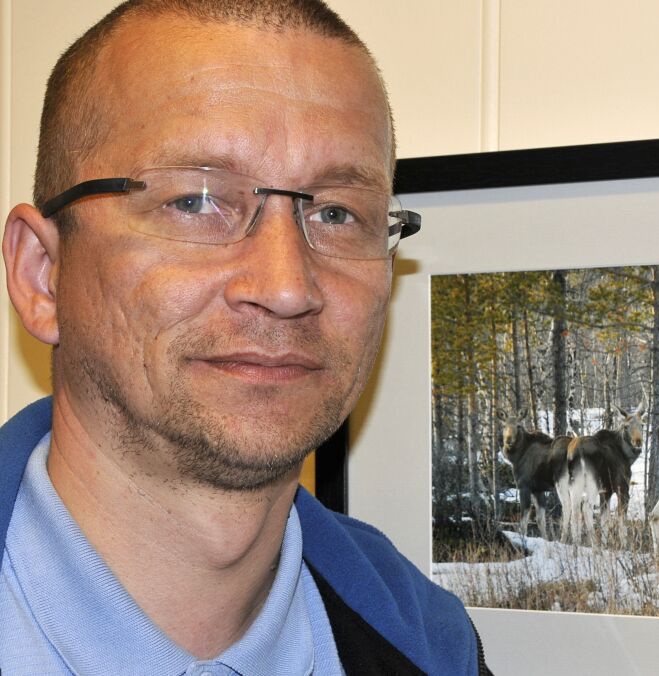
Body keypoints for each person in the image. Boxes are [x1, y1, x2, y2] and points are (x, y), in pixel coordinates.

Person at [0, 1, 490, 673]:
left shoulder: (430, 645)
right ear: (43, 275)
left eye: (339, 213)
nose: (288, 287)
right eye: (196, 201)